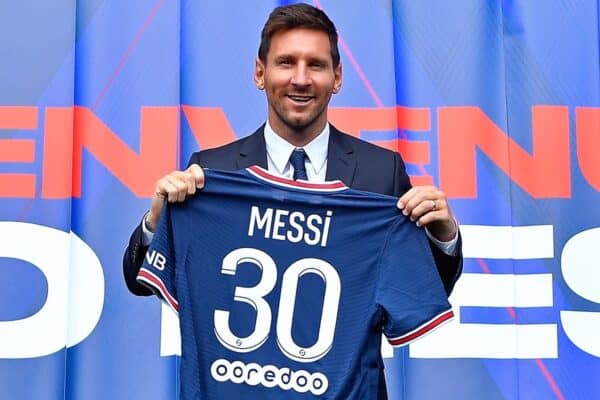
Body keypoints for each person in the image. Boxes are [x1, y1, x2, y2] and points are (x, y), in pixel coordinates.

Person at [123, 3, 462, 398]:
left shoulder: (380, 172)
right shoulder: (211, 172)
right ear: (259, 73)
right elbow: (140, 281)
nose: (300, 79)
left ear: (337, 78)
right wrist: (155, 222)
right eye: (286, 62)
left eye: (315, 65)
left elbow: (422, 287)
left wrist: (444, 236)